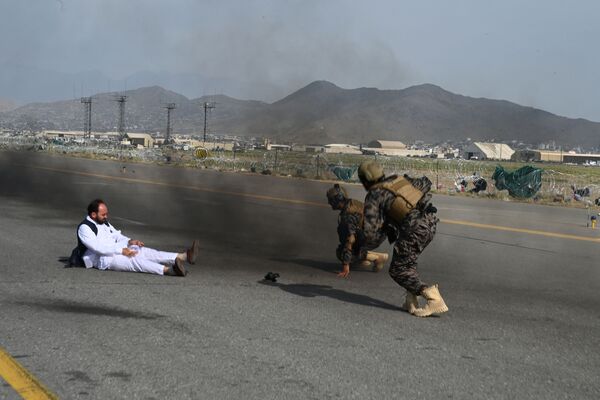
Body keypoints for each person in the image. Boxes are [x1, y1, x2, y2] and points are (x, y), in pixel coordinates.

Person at [356, 160, 448, 317]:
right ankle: (411, 301)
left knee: (398, 270)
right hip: (430, 223)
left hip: (414, 230)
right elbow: (425, 183)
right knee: (407, 263)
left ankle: (433, 297)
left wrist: (361, 245)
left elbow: (371, 235)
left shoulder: (374, 195)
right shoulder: (398, 179)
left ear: (365, 179)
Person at [76, 199, 199, 276]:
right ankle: (170, 270)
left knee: (143, 251)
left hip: (115, 249)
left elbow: (117, 236)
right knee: (134, 261)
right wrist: (121, 250)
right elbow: (98, 248)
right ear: (93, 214)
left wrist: (130, 241)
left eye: (107, 214)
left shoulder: (103, 222)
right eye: (103, 214)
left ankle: (182, 257)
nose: (106, 216)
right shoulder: (84, 228)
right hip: (102, 259)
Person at [326, 183, 388, 277]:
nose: (329, 203)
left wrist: (345, 265)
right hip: (378, 232)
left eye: (331, 201)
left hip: (373, 237)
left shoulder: (347, 216)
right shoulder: (351, 203)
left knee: (341, 252)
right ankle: (364, 258)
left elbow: (350, 239)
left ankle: (377, 258)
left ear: (337, 201)